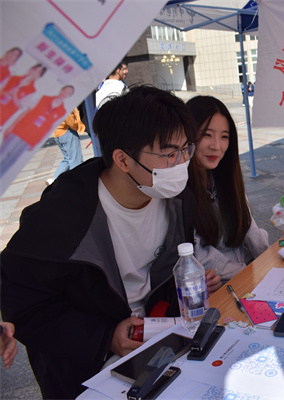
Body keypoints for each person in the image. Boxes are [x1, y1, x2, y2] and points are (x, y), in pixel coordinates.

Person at [0, 86, 218, 398]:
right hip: (88, 366)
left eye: (187, 150)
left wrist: (186, 283)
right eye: (170, 154)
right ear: (122, 159)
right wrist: (105, 337)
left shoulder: (175, 198)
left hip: (161, 342)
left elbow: (162, 269)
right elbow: (24, 306)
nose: (182, 163)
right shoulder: (59, 218)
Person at [186, 95, 268, 286]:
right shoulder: (179, 192)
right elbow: (198, 254)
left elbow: (249, 228)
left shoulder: (225, 179)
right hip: (221, 285)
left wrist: (270, 259)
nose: (217, 146)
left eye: (224, 136)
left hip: (249, 275)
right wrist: (245, 272)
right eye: (207, 134)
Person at [0, 85, 74, 177]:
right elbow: (25, 112)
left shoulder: (62, 112)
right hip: (19, 131)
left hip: (31, 139)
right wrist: (11, 126)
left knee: (12, 159)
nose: (65, 94)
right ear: (61, 90)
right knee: (3, 152)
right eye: (65, 91)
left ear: (69, 96)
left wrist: (38, 142)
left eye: (68, 93)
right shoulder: (43, 98)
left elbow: (50, 128)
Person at [45, 107, 86, 186]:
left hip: (57, 132)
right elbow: (70, 120)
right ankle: (77, 184)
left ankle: (54, 180)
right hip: (67, 131)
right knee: (76, 160)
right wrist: (77, 125)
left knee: (67, 159)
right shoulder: (63, 103)